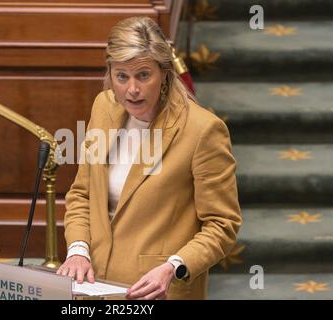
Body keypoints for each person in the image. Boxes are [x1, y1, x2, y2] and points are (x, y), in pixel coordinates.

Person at [57, 16, 242, 300]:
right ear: (110, 73)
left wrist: (173, 267)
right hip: (93, 287)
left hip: (154, 293)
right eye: (122, 76)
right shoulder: (104, 107)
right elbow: (82, 194)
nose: (132, 89)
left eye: (143, 75)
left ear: (165, 73)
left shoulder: (203, 130)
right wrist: (78, 251)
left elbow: (221, 225)